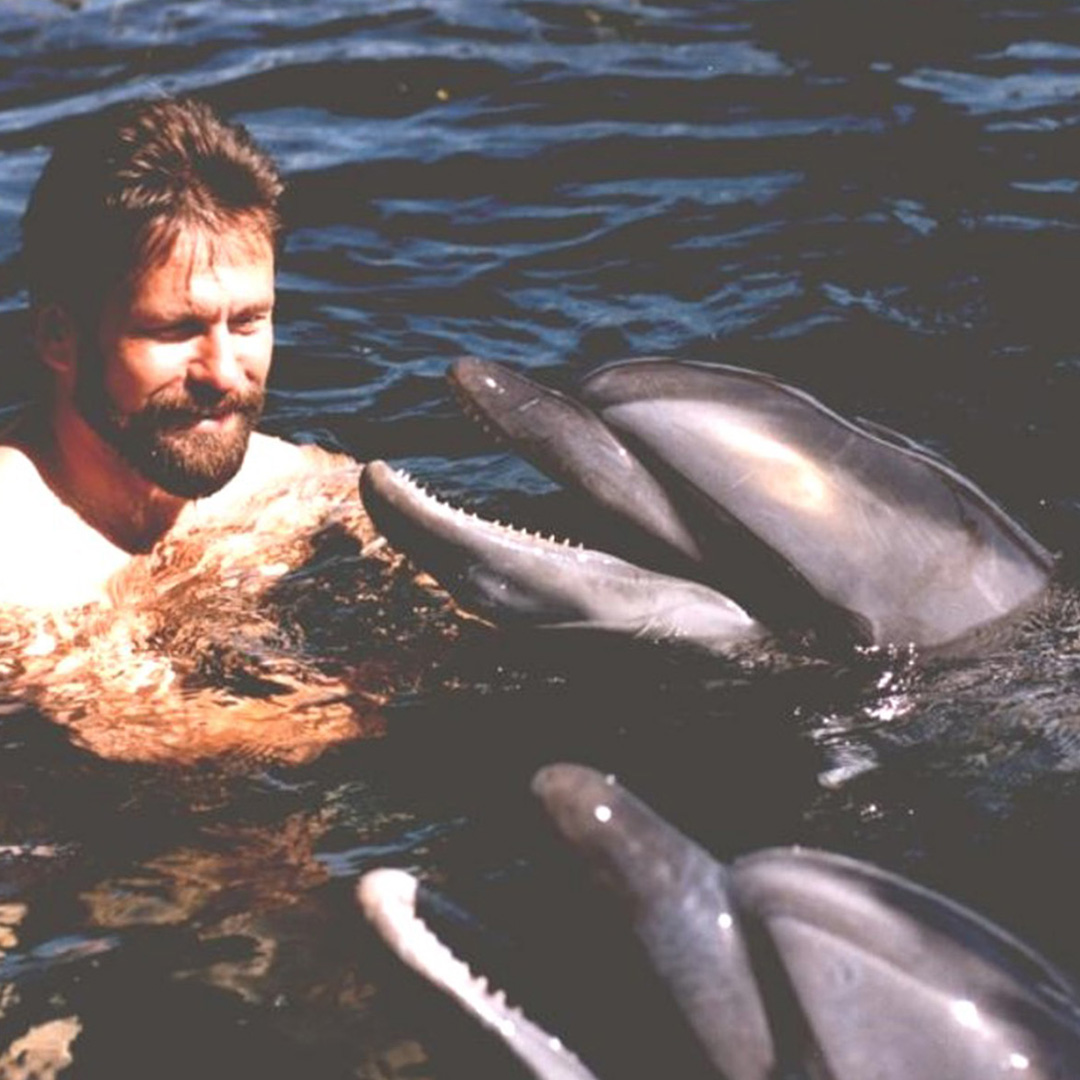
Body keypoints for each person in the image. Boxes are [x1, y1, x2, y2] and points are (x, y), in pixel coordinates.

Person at [0, 96, 337, 610]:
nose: (223, 374)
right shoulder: (17, 562)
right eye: (176, 330)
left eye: (247, 321)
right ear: (57, 339)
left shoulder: (295, 492)